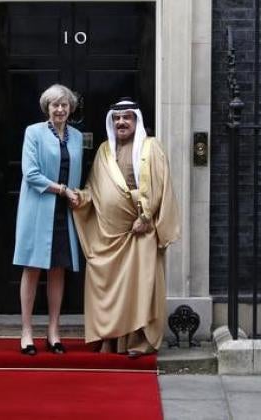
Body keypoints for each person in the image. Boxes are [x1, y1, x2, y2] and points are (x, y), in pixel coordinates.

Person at [72, 98, 180, 356]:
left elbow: (161, 186)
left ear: (136, 121)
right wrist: (79, 197)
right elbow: (94, 190)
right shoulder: (103, 151)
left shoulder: (151, 148)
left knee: (140, 288)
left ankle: (137, 342)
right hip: (108, 235)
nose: (121, 122)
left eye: (127, 117)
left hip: (141, 230)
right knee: (108, 287)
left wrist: (146, 217)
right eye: (117, 119)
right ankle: (109, 338)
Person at [12, 84, 84, 355]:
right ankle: (27, 330)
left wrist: (75, 194)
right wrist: (62, 189)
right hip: (38, 209)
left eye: (65, 104)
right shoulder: (34, 132)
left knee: (58, 269)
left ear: (70, 108)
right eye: (55, 104)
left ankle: (54, 330)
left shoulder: (76, 137)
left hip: (63, 212)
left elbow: (76, 172)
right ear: (47, 107)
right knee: (32, 268)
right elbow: (30, 173)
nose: (60, 109)